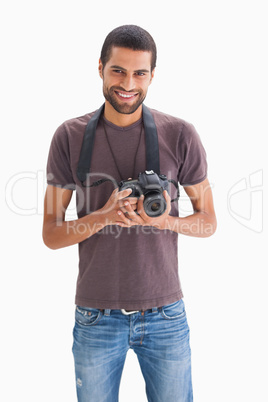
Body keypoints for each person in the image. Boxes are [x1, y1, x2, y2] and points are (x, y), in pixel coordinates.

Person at [43, 25, 217, 402]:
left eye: (140, 73)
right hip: (95, 315)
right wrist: (104, 215)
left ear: (153, 75)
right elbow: (51, 234)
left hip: (166, 314)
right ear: (101, 68)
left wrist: (164, 219)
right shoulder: (69, 137)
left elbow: (208, 221)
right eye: (118, 70)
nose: (128, 83)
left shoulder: (180, 134)